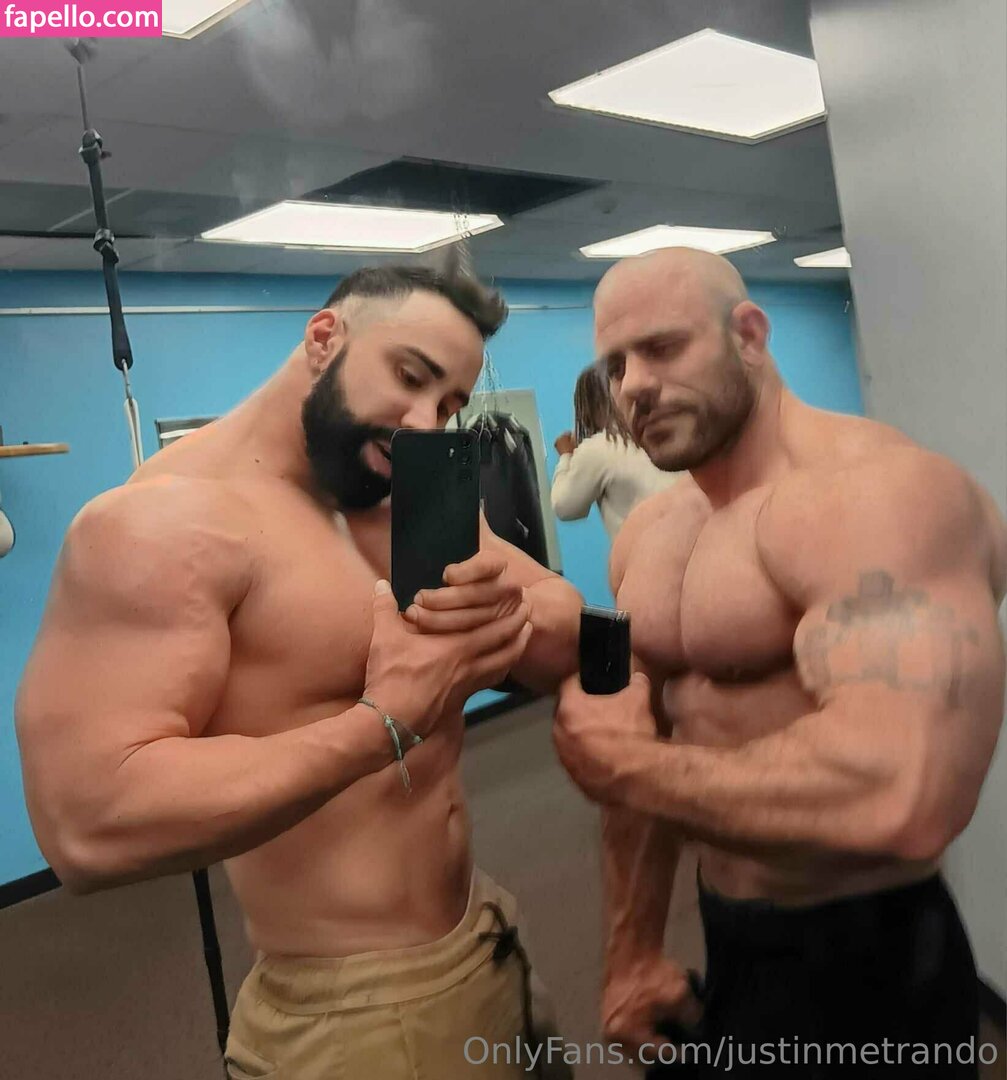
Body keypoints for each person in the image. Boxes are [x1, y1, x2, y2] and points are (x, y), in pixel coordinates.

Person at [16, 265, 582, 1080]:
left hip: (486, 928)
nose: (424, 422)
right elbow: (88, 824)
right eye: (410, 376)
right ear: (324, 337)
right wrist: (382, 722)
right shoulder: (165, 523)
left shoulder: (403, 494)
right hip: (360, 1009)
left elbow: (563, 631)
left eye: (450, 403)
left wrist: (502, 610)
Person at [552, 248, 1007, 1078]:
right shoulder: (648, 538)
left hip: (875, 961)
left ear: (748, 336)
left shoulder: (880, 497)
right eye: (614, 365)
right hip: (729, 938)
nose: (634, 385)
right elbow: (643, 734)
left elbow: (904, 793)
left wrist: (624, 767)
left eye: (661, 348)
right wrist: (633, 948)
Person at [551, 365, 680, 539]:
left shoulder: (599, 447)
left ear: (590, 406)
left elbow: (565, 507)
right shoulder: (662, 432)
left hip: (650, 551)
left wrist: (566, 456)